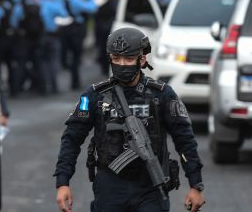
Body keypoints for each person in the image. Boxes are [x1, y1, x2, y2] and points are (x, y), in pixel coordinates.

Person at [54, 27, 205, 212]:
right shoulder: (94, 96)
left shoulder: (162, 95)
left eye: (128, 59)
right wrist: (63, 182)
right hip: (110, 186)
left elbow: (185, 140)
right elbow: (71, 138)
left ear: (142, 60)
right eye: (116, 59)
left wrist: (195, 184)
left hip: (151, 185)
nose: (122, 64)